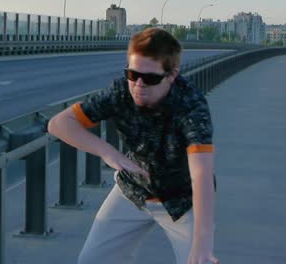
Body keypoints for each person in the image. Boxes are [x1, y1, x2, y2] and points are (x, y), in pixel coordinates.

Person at [48, 27, 217, 264]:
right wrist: (108, 152)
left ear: (172, 75)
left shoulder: (190, 106)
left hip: (181, 202)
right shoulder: (120, 92)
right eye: (132, 74)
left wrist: (203, 240)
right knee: (91, 260)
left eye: (149, 78)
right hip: (132, 192)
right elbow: (59, 124)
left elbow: (202, 174)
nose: (138, 84)